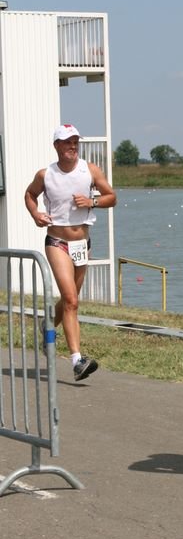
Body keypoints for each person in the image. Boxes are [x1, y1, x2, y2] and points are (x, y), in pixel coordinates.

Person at [25, 124, 117, 381]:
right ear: (57, 146)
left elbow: (112, 197)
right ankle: (77, 360)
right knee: (71, 300)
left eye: (75, 141)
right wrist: (36, 214)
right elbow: (30, 195)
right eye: (67, 142)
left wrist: (92, 202)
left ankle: (47, 327)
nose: (73, 146)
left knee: (71, 299)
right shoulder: (46, 175)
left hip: (81, 244)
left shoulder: (90, 170)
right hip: (57, 243)